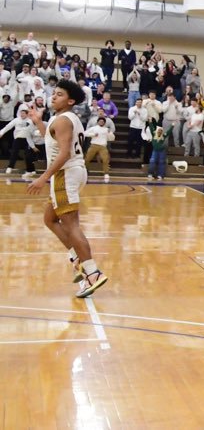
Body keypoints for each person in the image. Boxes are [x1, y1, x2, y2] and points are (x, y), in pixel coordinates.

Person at [27, 79, 109, 297]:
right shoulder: (63, 118)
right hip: (74, 172)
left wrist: (43, 177)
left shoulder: (63, 120)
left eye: (60, 94)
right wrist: (38, 122)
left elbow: (63, 153)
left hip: (65, 173)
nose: (54, 96)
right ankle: (77, 258)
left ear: (70, 100)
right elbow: (51, 139)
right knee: (49, 219)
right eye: (53, 93)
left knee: (71, 225)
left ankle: (92, 272)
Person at [2, 107, 41, 176]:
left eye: (23, 113)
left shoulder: (30, 121)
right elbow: (8, 126)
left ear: (27, 114)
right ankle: (10, 167)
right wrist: (1, 133)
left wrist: (37, 134)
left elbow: (34, 130)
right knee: (14, 152)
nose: (22, 115)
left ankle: (31, 170)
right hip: (18, 139)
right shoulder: (16, 120)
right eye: (21, 113)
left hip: (27, 140)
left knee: (28, 155)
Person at [81, 116, 111, 182]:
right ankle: (85, 173)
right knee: (87, 159)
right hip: (94, 145)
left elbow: (112, 138)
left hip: (103, 146)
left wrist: (109, 133)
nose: (101, 122)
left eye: (102, 121)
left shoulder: (106, 129)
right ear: (97, 122)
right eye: (100, 121)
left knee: (105, 160)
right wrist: (93, 134)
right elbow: (84, 133)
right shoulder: (94, 128)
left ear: (104, 123)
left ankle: (106, 174)